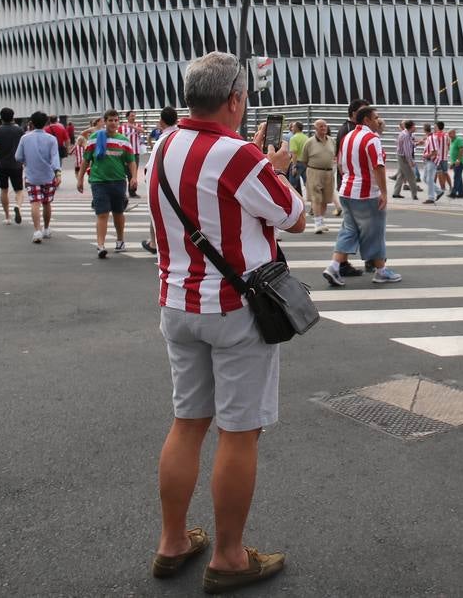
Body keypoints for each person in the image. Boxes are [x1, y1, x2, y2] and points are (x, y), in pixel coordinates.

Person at [146, 51, 303, 591]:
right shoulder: (239, 155)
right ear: (235, 99)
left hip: (177, 303)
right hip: (236, 309)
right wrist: (274, 168)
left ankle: (172, 541)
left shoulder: (162, 145)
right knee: (238, 432)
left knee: (187, 422)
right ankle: (230, 556)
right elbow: (295, 217)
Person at [323, 105, 401, 286]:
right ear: (366, 120)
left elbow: (340, 165)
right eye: (376, 118)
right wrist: (384, 192)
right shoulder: (372, 139)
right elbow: (378, 166)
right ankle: (381, 271)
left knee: (349, 230)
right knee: (375, 232)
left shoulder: (348, 136)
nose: (378, 121)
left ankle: (334, 266)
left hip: (346, 191)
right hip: (366, 193)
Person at [81, 110, 137, 258]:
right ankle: (100, 245)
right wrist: (80, 179)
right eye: (110, 120)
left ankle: (120, 240)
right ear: (105, 122)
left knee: (118, 213)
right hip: (99, 182)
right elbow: (86, 160)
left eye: (116, 120)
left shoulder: (123, 140)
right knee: (102, 214)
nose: (113, 123)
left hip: (118, 181)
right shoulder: (95, 138)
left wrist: (134, 177)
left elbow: (131, 161)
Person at [140, 106, 182, 253]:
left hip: (163, 185)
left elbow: (149, 169)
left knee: (157, 214)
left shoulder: (162, 140)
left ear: (161, 121)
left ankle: (154, 244)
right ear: (176, 120)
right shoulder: (182, 136)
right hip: (180, 183)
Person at [16, 111, 63, 244]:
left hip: (31, 175)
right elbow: (55, 157)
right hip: (48, 175)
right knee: (47, 203)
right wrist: (58, 173)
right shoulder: (51, 139)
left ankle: (37, 231)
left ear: (31, 123)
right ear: (46, 123)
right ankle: (46, 229)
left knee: (35, 203)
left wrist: (26, 161)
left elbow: (18, 157)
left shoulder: (25, 138)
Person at [0, 107, 26, 226]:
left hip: (2, 164)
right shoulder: (19, 130)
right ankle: (18, 206)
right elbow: (24, 148)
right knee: (19, 190)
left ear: (1, 118)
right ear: (13, 117)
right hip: (16, 164)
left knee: (4, 190)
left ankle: (7, 217)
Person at [300, 119, 337, 235]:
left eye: (325, 126)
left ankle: (321, 220)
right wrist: (313, 167)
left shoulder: (332, 141)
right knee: (316, 198)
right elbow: (304, 159)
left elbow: (334, 155)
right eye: (321, 126)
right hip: (314, 171)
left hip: (329, 172)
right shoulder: (309, 142)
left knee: (326, 199)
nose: (324, 128)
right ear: (315, 128)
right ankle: (317, 223)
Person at [392, 119, 421, 200]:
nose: (415, 127)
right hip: (403, 157)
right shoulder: (406, 135)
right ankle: (414, 195)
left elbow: (409, 145)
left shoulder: (406, 133)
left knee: (401, 175)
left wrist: (417, 144)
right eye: (414, 126)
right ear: (411, 127)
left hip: (401, 156)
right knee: (411, 176)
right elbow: (407, 151)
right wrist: (411, 161)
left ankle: (396, 193)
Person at [122, 110, 145, 198]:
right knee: (124, 172)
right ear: (127, 117)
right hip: (125, 153)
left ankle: (132, 192)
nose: (133, 117)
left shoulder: (137, 125)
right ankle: (122, 192)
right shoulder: (122, 127)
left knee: (133, 173)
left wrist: (133, 127)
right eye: (132, 116)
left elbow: (142, 131)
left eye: (134, 116)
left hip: (135, 153)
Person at [420, 122, 443, 203]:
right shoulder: (429, 137)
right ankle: (439, 191)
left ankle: (431, 198)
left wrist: (426, 155)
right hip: (429, 161)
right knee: (425, 178)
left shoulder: (431, 138)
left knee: (429, 179)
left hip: (431, 161)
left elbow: (434, 152)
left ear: (424, 130)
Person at [286, 120, 307, 192]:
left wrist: (294, 166)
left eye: (293, 127)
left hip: (297, 163)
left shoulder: (293, 138)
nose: (292, 129)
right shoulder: (306, 138)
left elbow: (294, 153)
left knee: (292, 186)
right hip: (305, 163)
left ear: (297, 128)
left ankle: (293, 198)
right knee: (307, 184)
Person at [448, 127, 463, 199]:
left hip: (460, 162)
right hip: (455, 163)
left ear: (454, 133)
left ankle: (453, 193)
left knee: (456, 178)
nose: (449, 135)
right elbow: (453, 152)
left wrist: (458, 160)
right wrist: (452, 163)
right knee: (459, 178)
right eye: (448, 134)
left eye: (450, 134)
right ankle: (461, 193)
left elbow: (461, 150)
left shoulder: (459, 139)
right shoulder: (452, 141)